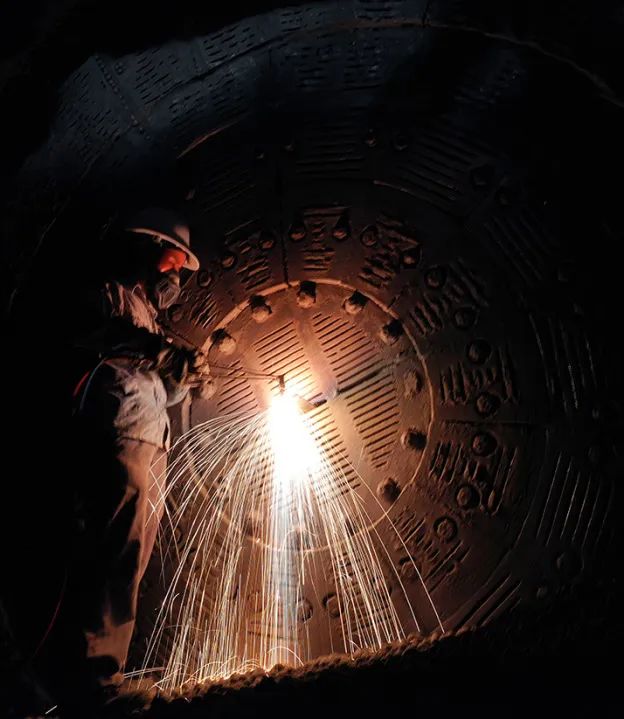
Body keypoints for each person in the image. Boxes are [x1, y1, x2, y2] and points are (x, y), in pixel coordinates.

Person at [3, 208, 209, 715]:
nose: (178, 272)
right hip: (115, 436)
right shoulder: (105, 291)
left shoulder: (147, 313)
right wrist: (155, 349)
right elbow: (87, 333)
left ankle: (101, 673)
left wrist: (184, 377)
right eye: (175, 259)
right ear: (148, 245)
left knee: (130, 560)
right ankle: (94, 684)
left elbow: (157, 388)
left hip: (148, 441)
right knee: (112, 556)